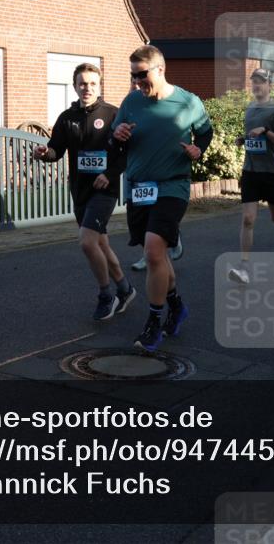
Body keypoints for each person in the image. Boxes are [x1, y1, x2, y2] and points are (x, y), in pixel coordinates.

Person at [111, 45, 213, 352]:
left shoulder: (188, 101)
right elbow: (115, 141)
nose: (137, 82)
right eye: (133, 75)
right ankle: (176, 306)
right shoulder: (131, 102)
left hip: (173, 185)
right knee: (159, 257)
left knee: (155, 251)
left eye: (142, 75)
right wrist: (117, 137)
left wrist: (199, 150)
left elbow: (205, 134)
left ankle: (154, 322)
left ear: (160, 69)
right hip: (140, 187)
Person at [34, 62, 135, 320]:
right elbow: (56, 149)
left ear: (99, 85)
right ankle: (125, 288)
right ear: (75, 86)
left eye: (92, 83)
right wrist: (46, 153)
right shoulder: (67, 118)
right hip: (80, 191)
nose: (87, 88)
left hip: (105, 190)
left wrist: (109, 175)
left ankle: (106, 295)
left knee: (87, 242)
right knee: (100, 243)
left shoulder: (114, 115)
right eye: (82, 83)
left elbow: (126, 154)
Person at [228, 69, 274, 283]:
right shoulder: (250, 108)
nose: (257, 85)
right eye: (254, 81)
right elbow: (252, 136)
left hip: (273, 172)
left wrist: (265, 131)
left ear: (269, 86)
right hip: (251, 171)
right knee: (248, 219)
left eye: (261, 82)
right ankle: (244, 269)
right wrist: (243, 139)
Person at [129, 73, 183, 272]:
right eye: (133, 80)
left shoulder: (167, 102)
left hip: (163, 170)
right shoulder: (131, 105)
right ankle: (149, 254)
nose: (137, 84)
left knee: (161, 213)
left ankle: (171, 237)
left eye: (140, 79)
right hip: (140, 174)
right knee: (143, 221)